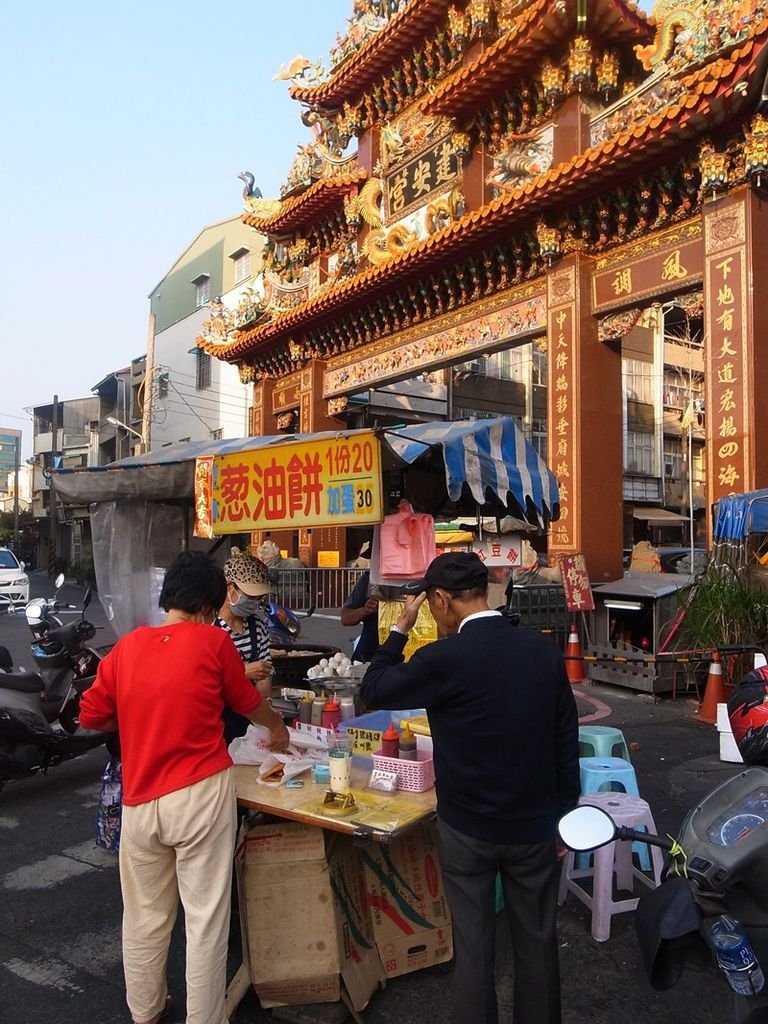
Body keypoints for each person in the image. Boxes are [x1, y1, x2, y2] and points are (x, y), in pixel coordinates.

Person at [360, 551, 580, 1024]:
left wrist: (400, 627)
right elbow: (566, 736)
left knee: (475, 950)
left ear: (440, 600)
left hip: (467, 828)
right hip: (535, 824)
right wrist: (565, 814)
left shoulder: (442, 658)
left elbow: (373, 688)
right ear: (484, 592)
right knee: (538, 944)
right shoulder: (541, 651)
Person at [79, 551, 290, 1024]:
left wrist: (140, 709)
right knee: (205, 921)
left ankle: (146, 1012)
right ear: (210, 605)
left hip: (141, 800)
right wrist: (277, 729)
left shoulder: (126, 648)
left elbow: (90, 715)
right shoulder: (211, 644)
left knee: (145, 916)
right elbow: (249, 702)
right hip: (199, 795)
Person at [215, 546, 274, 743]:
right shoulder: (210, 627)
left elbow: (264, 675)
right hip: (216, 720)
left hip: (248, 716)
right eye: (251, 596)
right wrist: (243, 672)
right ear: (231, 588)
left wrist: (264, 714)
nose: (255, 602)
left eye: (259, 598)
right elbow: (201, 679)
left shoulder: (257, 626)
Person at [340, 566, 379, 663]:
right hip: (369, 652)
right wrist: (365, 610)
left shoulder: (421, 580)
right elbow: (345, 618)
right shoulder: (369, 579)